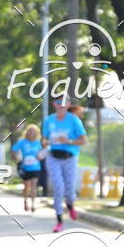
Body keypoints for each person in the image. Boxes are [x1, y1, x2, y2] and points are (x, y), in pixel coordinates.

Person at [42, 96, 87, 232]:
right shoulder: (49, 120)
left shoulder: (74, 120)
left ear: (68, 104)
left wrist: (68, 141)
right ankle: (59, 221)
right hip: (53, 158)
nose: (61, 104)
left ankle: (70, 204)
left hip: (70, 158)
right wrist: (45, 142)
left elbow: (83, 140)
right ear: (54, 104)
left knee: (70, 189)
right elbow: (44, 138)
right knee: (58, 188)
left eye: (64, 102)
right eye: (58, 102)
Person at [12, 124, 42, 212]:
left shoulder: (38, 143)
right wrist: (17, 160)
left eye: (33, 132)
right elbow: (13, 150)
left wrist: (40, 156)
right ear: (27, 133)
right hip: (25, 168)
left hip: (36, 167)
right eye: (30, 131)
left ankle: (33, 204)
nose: (31, 133)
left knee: (34, 186)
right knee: (26, 186)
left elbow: (42, 152)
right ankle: (25, 201)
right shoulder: (22, 142)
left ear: (36, 133)